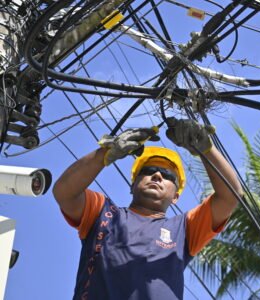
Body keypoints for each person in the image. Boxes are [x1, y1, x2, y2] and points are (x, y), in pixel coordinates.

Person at [53, 117, 243, 300]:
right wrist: (105, 154)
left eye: (168, 175)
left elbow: (230, 197)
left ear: (176, 196)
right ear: (132, 185)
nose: (158, 176)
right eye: (149, 171)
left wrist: (206, 149)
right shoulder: (104, 213)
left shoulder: (184, 229)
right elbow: (64, 192)